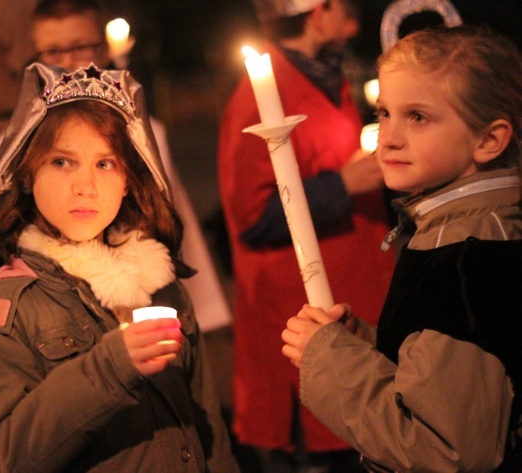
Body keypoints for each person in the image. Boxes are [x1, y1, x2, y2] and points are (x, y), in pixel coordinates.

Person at [0, 62, 240, 472]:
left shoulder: (160, 285)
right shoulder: (9, 306)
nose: (86, 186)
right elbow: (7, 455)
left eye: (105, 164)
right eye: (62, 162)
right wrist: (111, 366)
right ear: (27, 171)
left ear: (128, 180)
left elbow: (208, 426)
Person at [282, 26, 522, 472]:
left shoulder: (473, 261)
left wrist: (332, 361)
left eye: (417, 117)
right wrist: (365, 349)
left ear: (489, 140)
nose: (387, 137)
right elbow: (445, 376)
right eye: (385, 112)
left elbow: (444, 449)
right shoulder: (451, 233)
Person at [217, 0, 396, 470]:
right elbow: (252, 216)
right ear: (319, 12)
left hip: (353, 307)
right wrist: (342, 184)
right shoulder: (260, 91)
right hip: (304, 317)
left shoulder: (327, 76)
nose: (355, 17)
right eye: (344, 5)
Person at [0, 0, 233, 333]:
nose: (67, 63)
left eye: (79, 48)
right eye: (52, 52)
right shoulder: (9, 149)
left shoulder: (146, 134)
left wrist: (192, 309)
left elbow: (171, 221)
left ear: (102, 49)